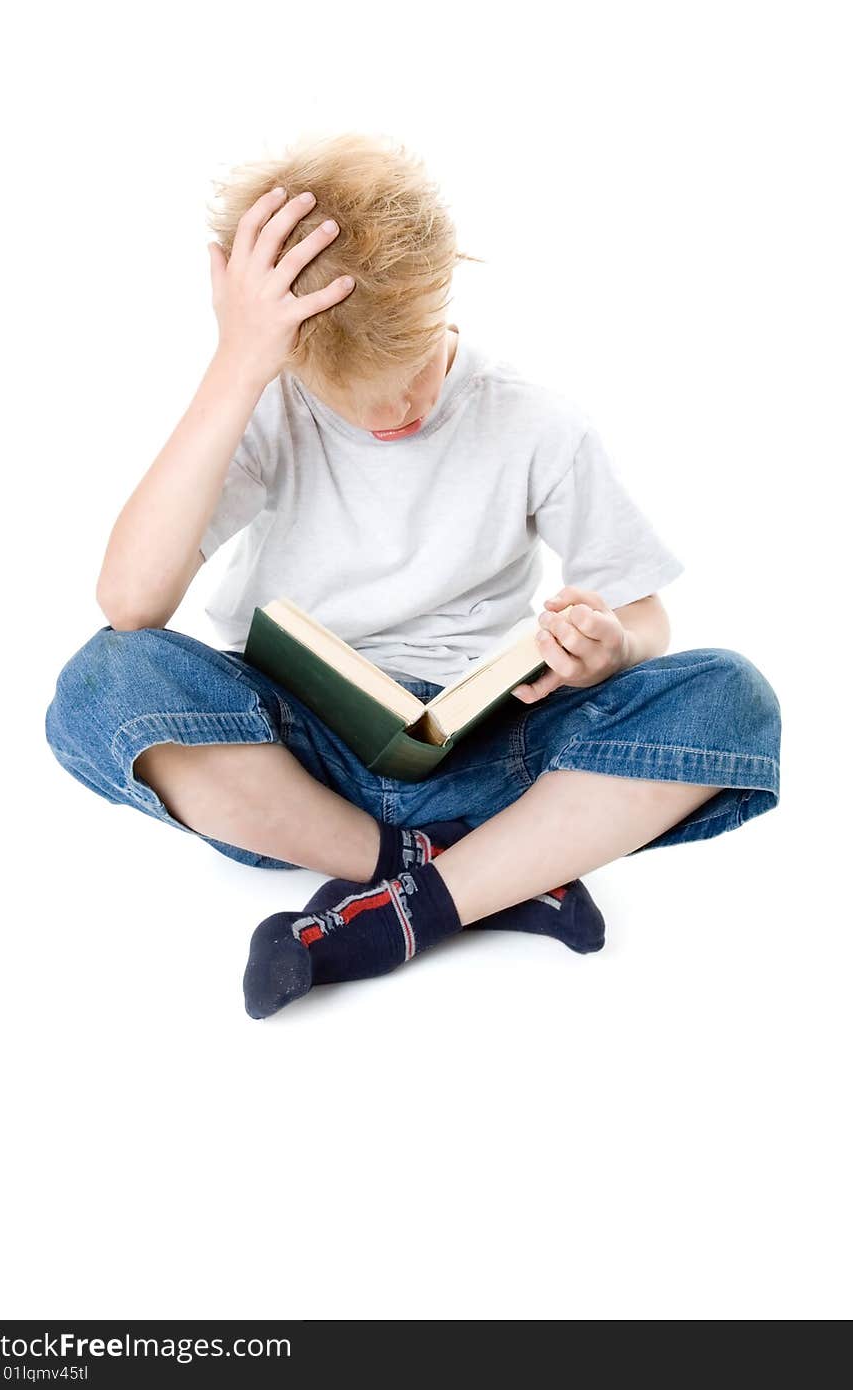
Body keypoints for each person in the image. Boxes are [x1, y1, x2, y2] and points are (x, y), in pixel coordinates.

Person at [43, 132, 782, 1019]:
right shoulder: (269, 405)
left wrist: (610, 648)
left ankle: (392, 913)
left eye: (414, 372)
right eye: (357, 396)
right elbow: (131, 601)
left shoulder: (536, 423)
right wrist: (237, 363)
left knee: (730, 694)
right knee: (103, 679)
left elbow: (643, 614)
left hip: (490, 746)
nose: (396, 412)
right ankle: (480, 874)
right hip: (299, 765)